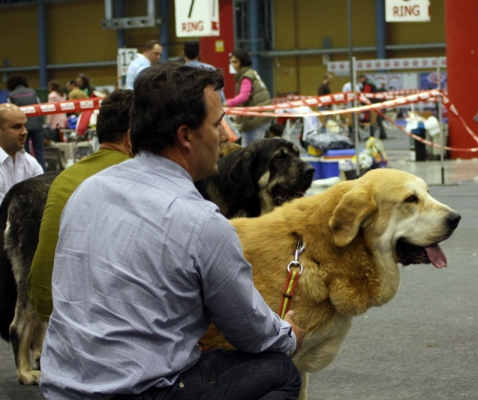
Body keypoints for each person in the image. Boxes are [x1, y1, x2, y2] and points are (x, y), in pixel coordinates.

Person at [40, 64, 304, 399]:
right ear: (185, 136)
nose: (224, 135)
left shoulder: (87, 191)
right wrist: (290, 335)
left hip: (61, 389)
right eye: (217, 123)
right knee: (281, 371)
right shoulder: (201, 222)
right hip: (139, 392)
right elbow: (252, 333)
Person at [28, 89, 134, 322]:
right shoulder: (138, 177)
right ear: (130, 137)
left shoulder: (63, 178)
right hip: (112, 325)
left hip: (54, 313)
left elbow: (41, 278)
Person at [226, 49, 274, 147]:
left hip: (257, 119)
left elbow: (244, 96)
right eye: (231, 62)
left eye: (235, 62)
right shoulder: (251, 73)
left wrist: (228, 103)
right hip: (263, 116)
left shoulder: (246, 76)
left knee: (249, 150)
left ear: (242, 61)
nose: (233, 65)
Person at [0, 103, 44, 202]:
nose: (25, 132)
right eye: (16, 127)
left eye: (25, 126)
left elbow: (41, 202)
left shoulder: (31, 163)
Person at [6, 75, 46, 170]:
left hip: (22, 128)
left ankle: (27, 177)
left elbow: (10, 113)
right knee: (40, 151)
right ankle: (43, 174)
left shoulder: (11, 95)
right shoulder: (33, 92)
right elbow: (39, 107)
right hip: (37, 125)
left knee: (24, 153)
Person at [357, 74, 387, 140]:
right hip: (376, 103)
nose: (359, 81)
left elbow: (366, 94)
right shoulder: (369, 82)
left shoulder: (367, 84)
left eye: (359, 79)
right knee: (378, 120)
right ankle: (382, 135)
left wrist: (362, 101)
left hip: (373, 104)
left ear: (362, 78)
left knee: (372, 120)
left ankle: (372, 135)